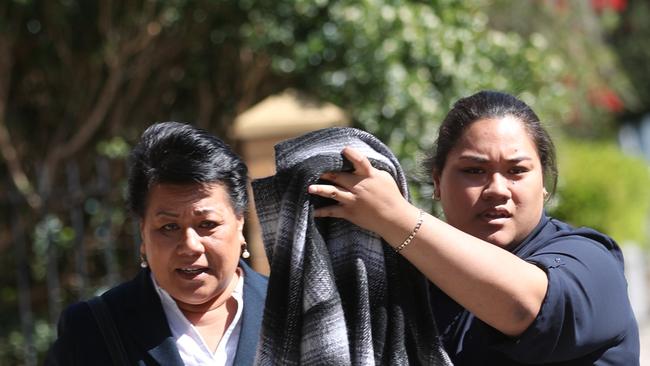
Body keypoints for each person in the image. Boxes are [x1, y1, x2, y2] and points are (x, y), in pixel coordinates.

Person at [308, 90, 640, 365]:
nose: (497, 188)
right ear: (438, 182)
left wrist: (396, 216)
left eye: (517, 171)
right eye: (474, 171)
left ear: (544, 183)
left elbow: (524, 306)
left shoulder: (593, 264)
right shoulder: (407, 282)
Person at [46, 122, 267, 366]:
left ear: (239, 224)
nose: (190, 246)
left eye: (207, 224)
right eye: (169, 227)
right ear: (143, 233)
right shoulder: (92, 330)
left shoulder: (297, 311)